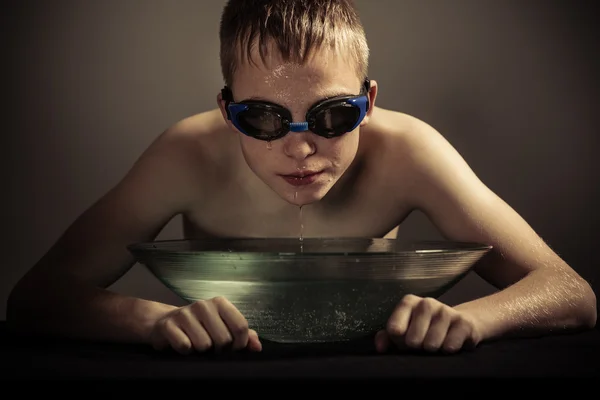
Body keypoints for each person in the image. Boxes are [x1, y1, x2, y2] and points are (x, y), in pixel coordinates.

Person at [7, 0, 596, 356]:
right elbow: (36, 298)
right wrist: (155, 321)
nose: (301, 148)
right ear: (224, 108)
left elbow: (572, 293)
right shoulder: (186, 155)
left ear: (369, 101)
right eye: (261, 117)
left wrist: (470, 320)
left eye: (333, 115)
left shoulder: (409, 151)